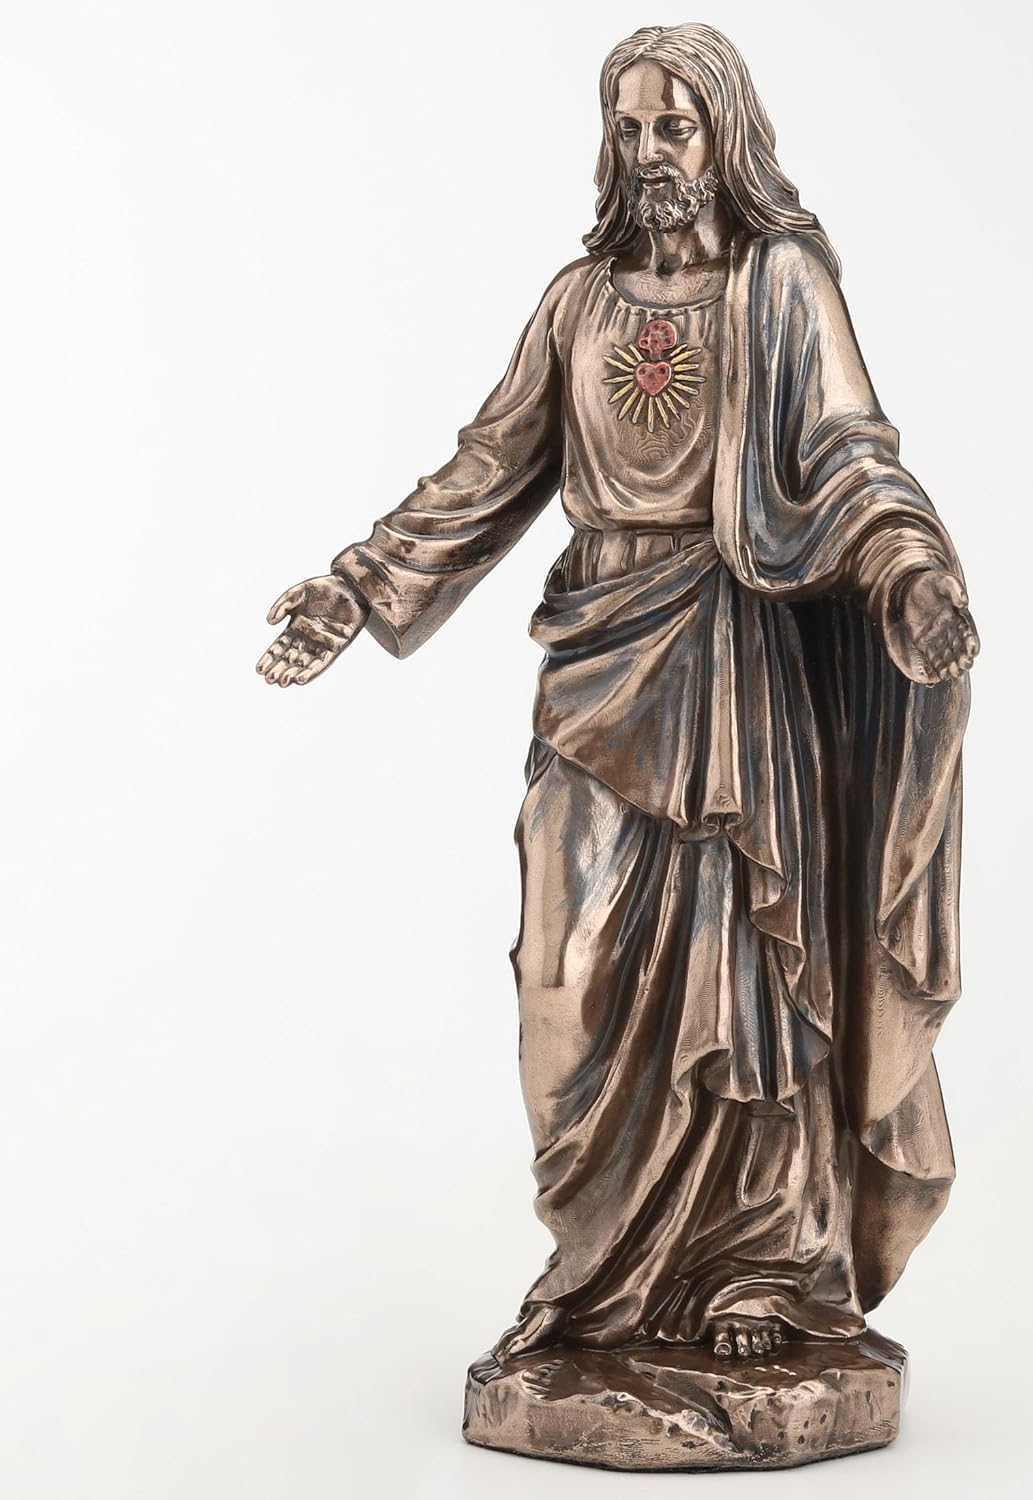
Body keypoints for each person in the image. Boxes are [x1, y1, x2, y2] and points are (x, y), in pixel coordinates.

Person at [257, 22, 978, 1365]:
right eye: (629, 127)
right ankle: (599, 1270)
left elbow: (851, 457)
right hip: (599, 663)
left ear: (725, 136)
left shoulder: (781, 285)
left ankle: (757, 1265)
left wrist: (908, 574)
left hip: (736, 662)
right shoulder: (578, 302)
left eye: (675, 125)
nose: (650, 152)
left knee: (745, 969)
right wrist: (358, 586)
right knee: (565, 969)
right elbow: (490, 466)